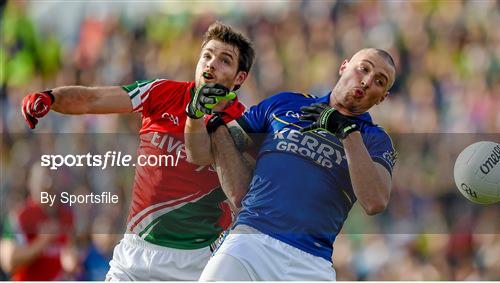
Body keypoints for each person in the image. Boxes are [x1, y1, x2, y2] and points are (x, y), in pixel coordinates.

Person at [20, 21, 255, 281]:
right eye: (207, 55)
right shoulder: (161, 92)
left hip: (197, 261)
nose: (211, 63)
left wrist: (198, 117)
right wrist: (53, 97)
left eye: (225, 60)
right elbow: (93, 99)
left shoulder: (245, 123)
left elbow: (213, 167)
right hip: (135, 255)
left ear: (239, 77)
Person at [186, 48, 397, 280]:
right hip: (250, 243)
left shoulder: (375, 140)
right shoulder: (285, 104)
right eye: (363, 69)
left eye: (379, 81)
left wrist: (347, 131)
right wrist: (200, 117)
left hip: (311, 263)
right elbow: (203, 153)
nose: (367, 81)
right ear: (344, 66)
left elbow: (375, 202)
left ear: (382, 98)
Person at [0, 163, 77, 280]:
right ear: (30, 183)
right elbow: (8, 261)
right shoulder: (19, 217)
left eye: (52, 179)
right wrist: (42, 242)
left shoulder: (67, 215)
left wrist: (71, 261)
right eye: (43, 179)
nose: (49, 184)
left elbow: (68, 252)